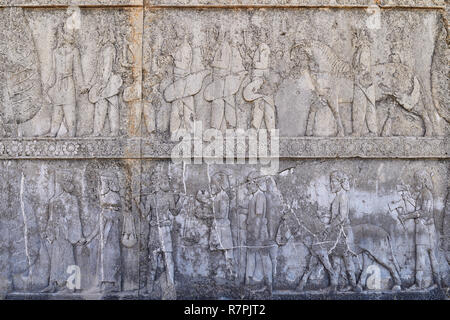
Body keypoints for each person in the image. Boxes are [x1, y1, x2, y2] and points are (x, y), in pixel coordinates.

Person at [42, 170, 84, 293]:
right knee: (56, 258)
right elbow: (51, 218)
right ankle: (53, 283)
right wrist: (49, 231)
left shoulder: (72, 199)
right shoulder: (53, 201)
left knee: (68, 257)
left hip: (67, 233)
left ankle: (70, 285)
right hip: (57, 233)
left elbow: (75, 218)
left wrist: (77, 235)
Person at [400, 170, 442, 289]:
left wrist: (406, 216)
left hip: (424, 230)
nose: (415, 181)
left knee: (421, 256)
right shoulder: (423, 193)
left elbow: (424, 211)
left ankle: (418, 284)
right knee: (431, 256)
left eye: (417, 179)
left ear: (423, 180)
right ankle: (437, 283)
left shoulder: (426, 193)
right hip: (427, 229)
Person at [140, 171, 180, 299]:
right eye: (164, 182)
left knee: (169, 260)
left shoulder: (169, 196)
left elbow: (174, 212)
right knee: (152, 262)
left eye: (167, 182)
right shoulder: (150, 197)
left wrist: (181, 200)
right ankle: (149, 287)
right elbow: (145, 213)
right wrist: (138, 201)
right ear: (158, 184)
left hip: (165, 230)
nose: (167, 184)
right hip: (154, 231)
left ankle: (171, 287)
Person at [45, 23, 88, 137]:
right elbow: (53, 71)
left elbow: (77, 70)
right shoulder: (55, 52)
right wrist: (47, 87)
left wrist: (82, 85)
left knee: (70, 113)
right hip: (58, 85)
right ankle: (53, 132)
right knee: (57, 110)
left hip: (69, 84)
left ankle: (72, 135)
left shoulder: (74, 51)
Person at [326, 171, 362, 292]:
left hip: (343, 232)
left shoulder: (343, 196)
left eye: (333, 181)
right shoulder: (337, 197)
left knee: (347, 259)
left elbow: (342, 217)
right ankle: (334, 285)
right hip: (337, 232)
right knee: (335, 259)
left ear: (340, 183)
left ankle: (353, 284)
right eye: (331, 181)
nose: (331, 184)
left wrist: (329, 227)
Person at [86, 172, 122, 293]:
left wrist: (107, 213)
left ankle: (111, 282)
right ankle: (103, 281)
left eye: (104, 182)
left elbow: (113, 212)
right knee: (103, 255)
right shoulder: (105, 195)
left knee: (111, 255)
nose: (102, 185)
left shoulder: (113, 196)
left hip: (111, 229)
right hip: (104, 228)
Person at [89, 27, 122, 136]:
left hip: (109, 82)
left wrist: (103, 84)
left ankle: (113, 131)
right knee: (102, 105)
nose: (99, 37)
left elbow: (107, 67)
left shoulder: (108, 49)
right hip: (104, 81)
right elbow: (99, 69)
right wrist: (90, 84)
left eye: (100, 34)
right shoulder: (104, 48)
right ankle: (99, 131)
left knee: (110, 106)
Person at [245, 171, 273, 294]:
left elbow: (258, 216)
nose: (247, 186)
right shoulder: (255, 196)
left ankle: (262, 284)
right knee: (259, 257)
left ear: (255, 183)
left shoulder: (259, 196)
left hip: (258, 232)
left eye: (249, 183)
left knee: (259, 257)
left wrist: (255, 235)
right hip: (257, 231)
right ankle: (252, 283)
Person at [351, 29, 377, 136]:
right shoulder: (359, 50)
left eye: (355, 37)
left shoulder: (364, 50)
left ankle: (360, 131)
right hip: (360, 81)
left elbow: (363, 67)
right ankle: (370, 130)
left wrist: (353, 72)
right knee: (364, 106)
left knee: (360, 105)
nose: (353, 39)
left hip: (362, 83)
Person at [209, 172, 234, 278]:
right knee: (215, 251)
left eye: (213, 184)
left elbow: (222, 214)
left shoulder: (222, 196)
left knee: (226, 251)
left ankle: (229, 273)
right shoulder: (218, 196)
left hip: (222, 227)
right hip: (218, 226)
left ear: (219, 184)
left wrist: (208, 214)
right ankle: (215, 274)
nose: (211, 186)